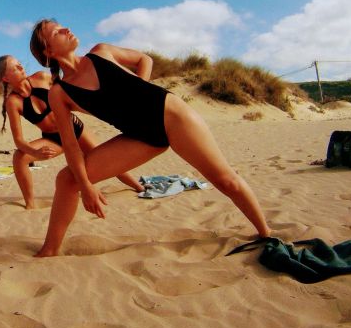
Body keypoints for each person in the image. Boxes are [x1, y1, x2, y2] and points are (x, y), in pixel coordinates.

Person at [28, 19, 272, 257]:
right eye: (58, 31)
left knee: (225, 180)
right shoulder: (59, 93)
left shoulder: (101, 52)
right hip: (140, 136)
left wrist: (139, 86)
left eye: (63, 26)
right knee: (68, 179)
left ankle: (266, 233)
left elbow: (145, 59)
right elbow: (70, 144)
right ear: (48, 51)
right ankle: (50, 249)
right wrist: (86, 186)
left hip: (172, 116)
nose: (67, 29)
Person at [0, 55, 144, 209]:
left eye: (20, 64)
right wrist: (35, 153)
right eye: (15, 67)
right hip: (54, 139)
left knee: (107, 160)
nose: (21, 67)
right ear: (5, 78)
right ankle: (30, 204)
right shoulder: (13, 102)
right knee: (19, 157)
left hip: (74, 128)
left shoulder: (42, 77)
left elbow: (71, 89)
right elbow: (19, 140)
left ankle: (139, 187)